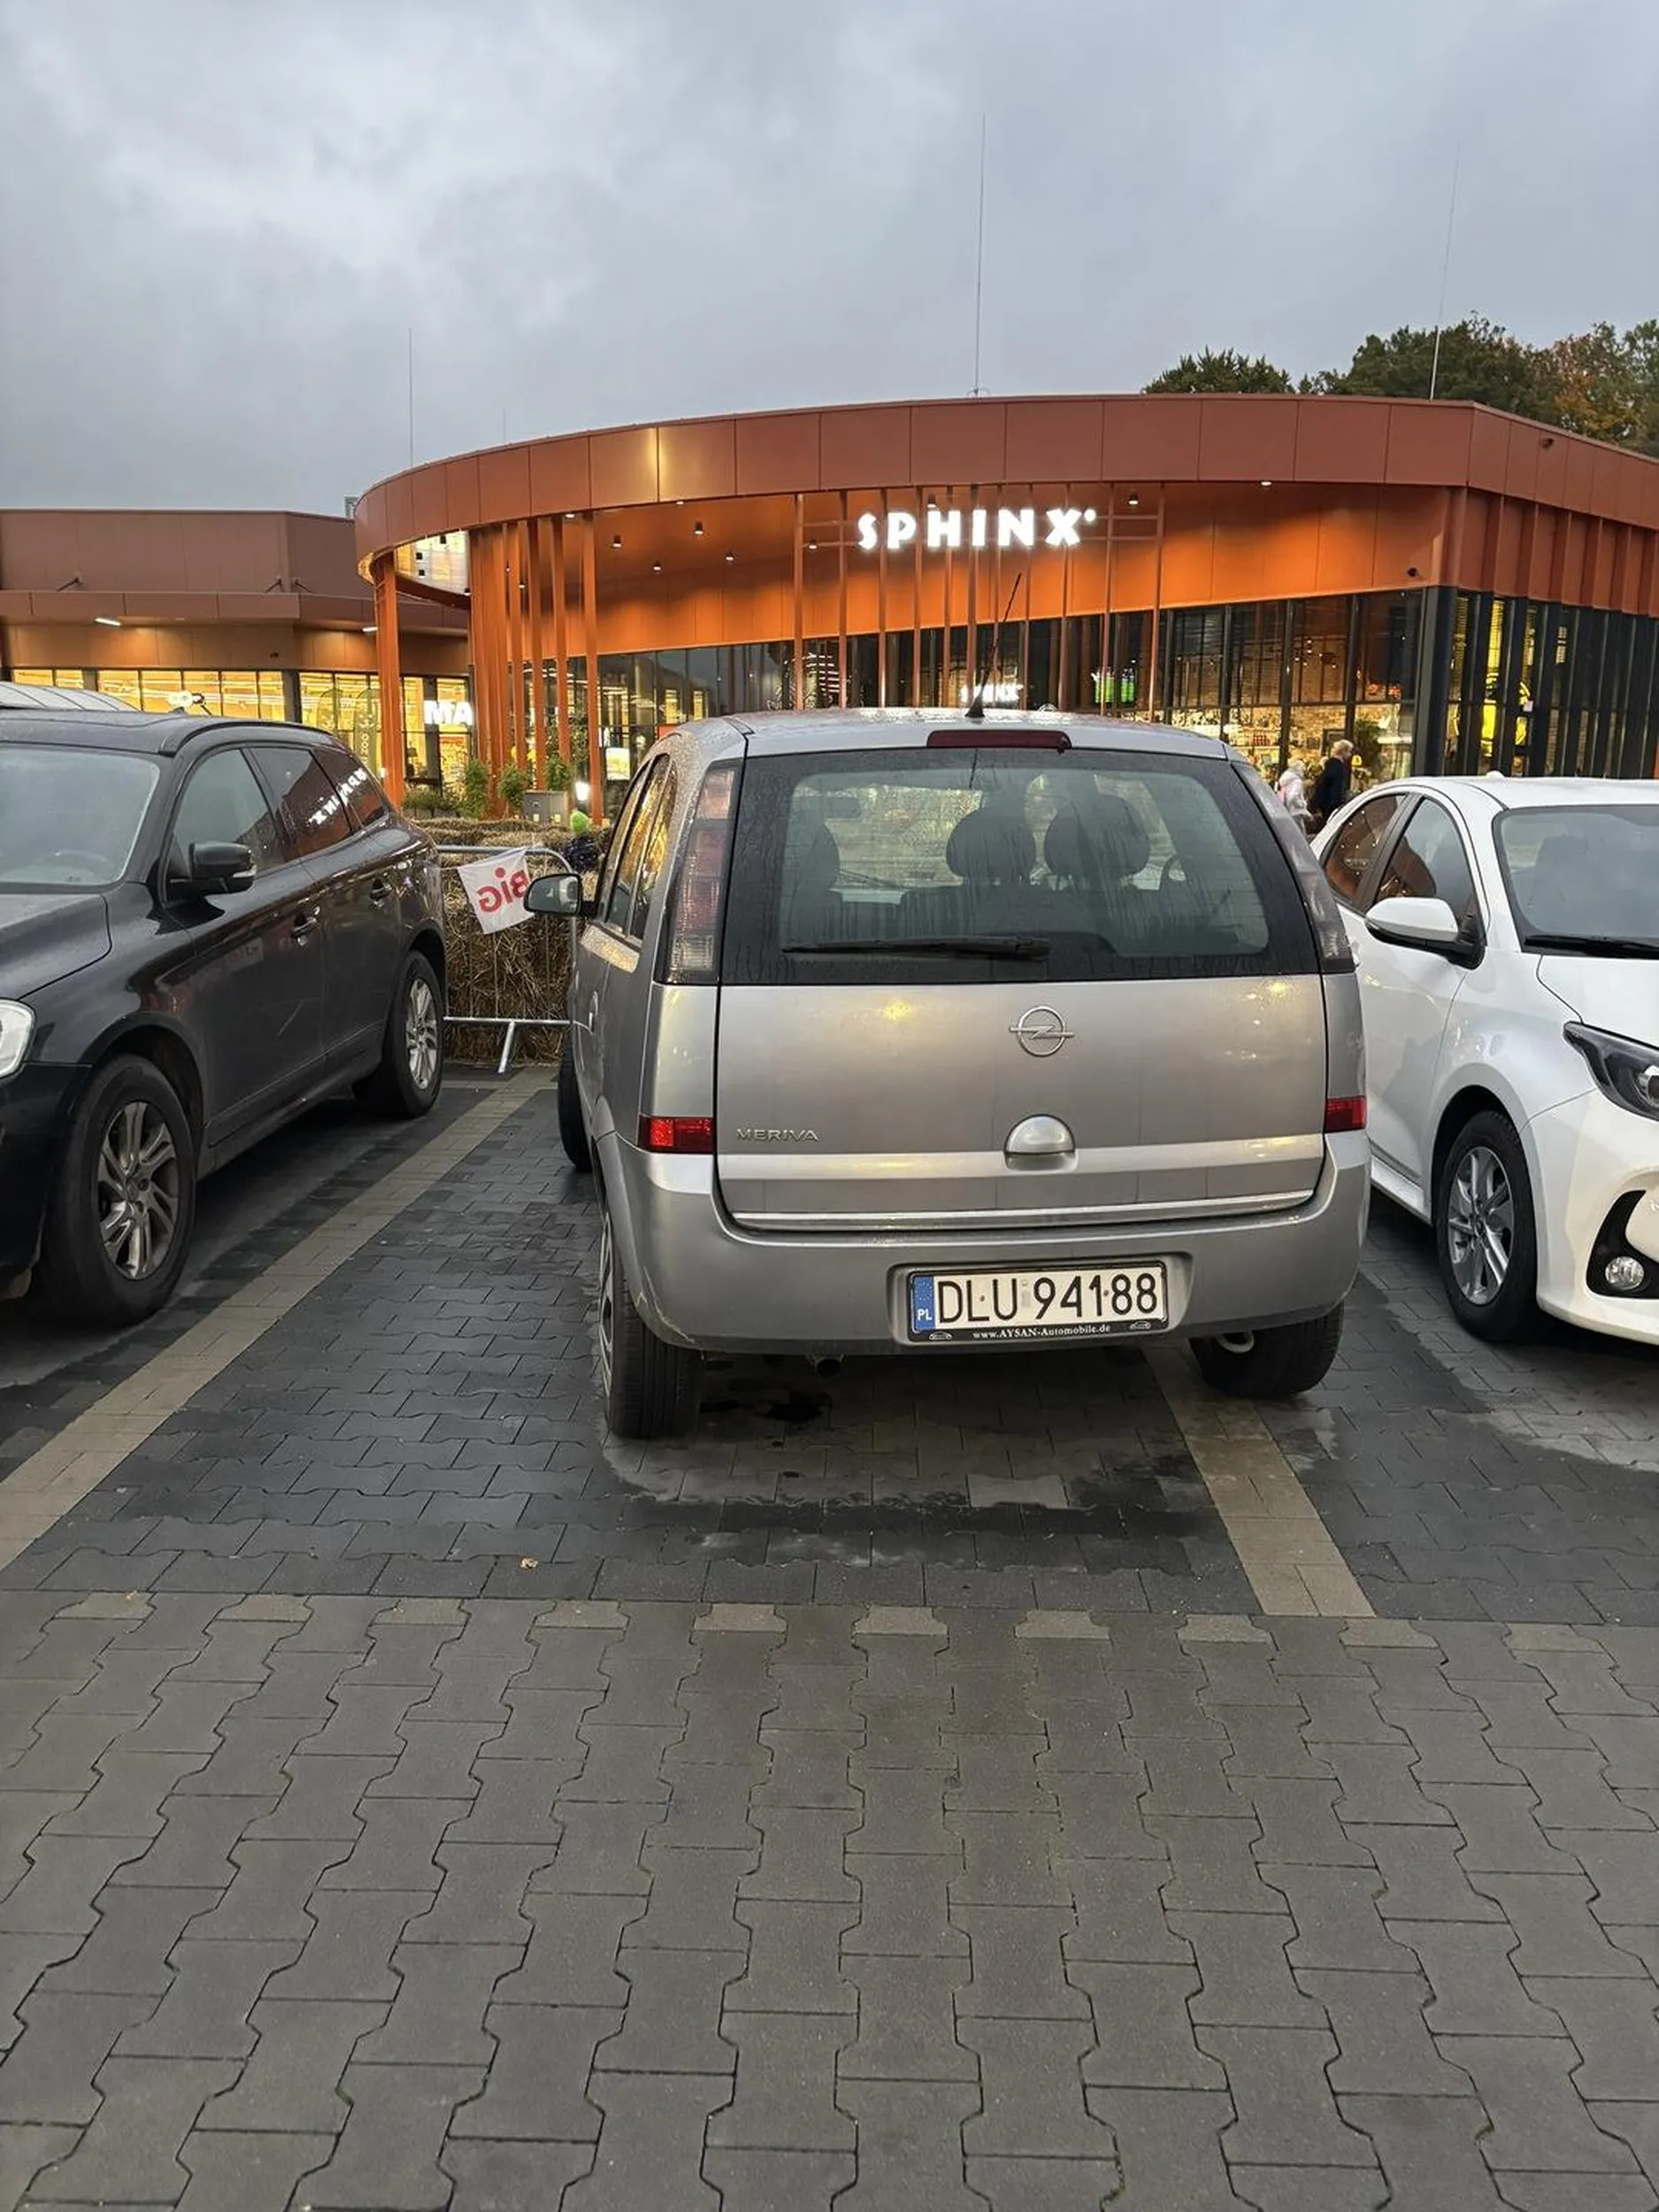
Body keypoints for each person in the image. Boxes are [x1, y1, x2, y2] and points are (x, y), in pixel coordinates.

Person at [1307, 740, 1355, 832]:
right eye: (1349, 751)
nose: (1350, 755)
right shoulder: (1337, 767)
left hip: (1325, 805)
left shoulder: (1331, 766)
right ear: (1343, 752)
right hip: (1330, 806)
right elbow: (1335, 789)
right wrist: (1337, 806)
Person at [1275, 758, 1312, 833]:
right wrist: (1302, 804)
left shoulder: (1286, 780)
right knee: (1300, 833)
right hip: (1296, 811)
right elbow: (1293, 796)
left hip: (1288, 810)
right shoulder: (1297, 781)